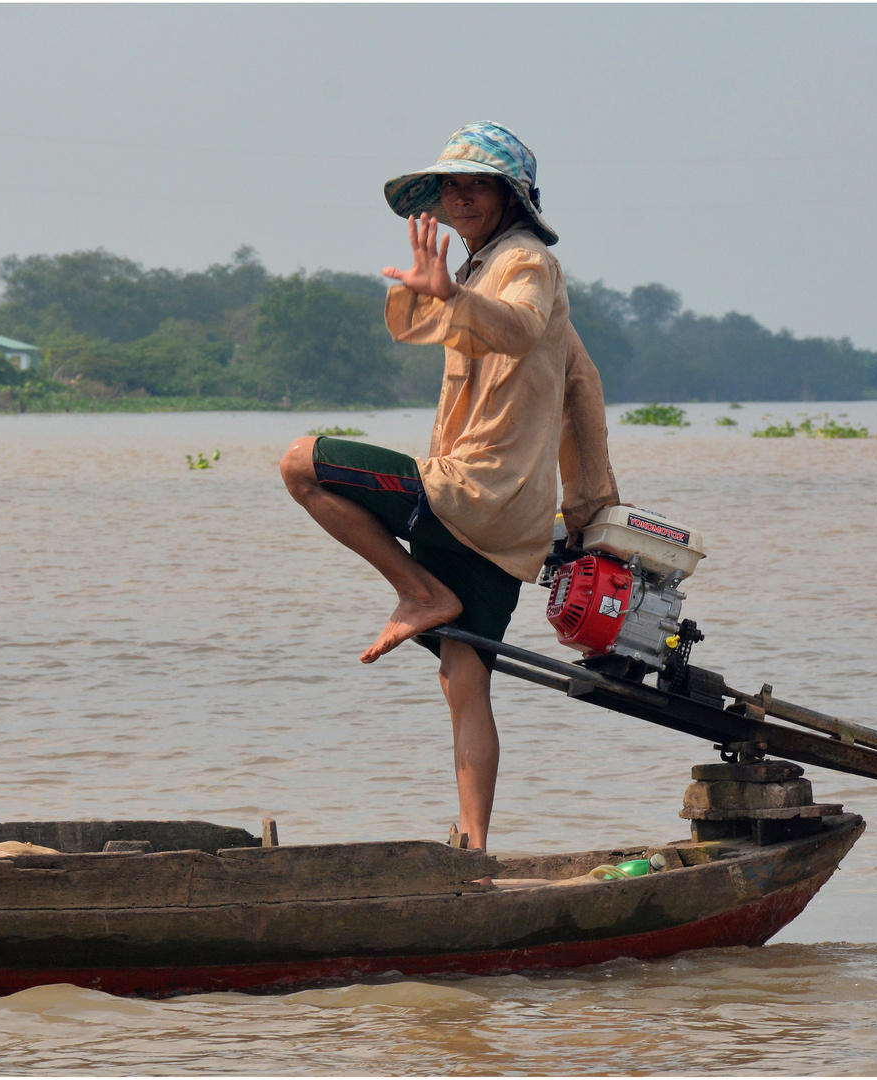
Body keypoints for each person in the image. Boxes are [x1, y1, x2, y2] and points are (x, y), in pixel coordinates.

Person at [279, 122, 619, 853]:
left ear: (512, 196)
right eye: (451, 185)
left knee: (302, 462)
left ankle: (418, 592)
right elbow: (580, 384)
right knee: (464, 683)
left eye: (477, 183)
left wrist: (456, 300)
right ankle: (473, 849)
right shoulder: (479, 269)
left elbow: (519, 328)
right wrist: (588, 507)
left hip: (471, 492)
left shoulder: (526, 263)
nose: (460, 197)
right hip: (509, 521)